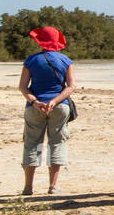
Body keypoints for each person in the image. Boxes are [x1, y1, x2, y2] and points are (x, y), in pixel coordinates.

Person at [18, 26, 76, 195]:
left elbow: (23, 87)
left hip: (34, 107)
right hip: (60, 106)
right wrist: (55, 101)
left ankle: (28, 187)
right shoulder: (66, 61)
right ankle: (53, 186)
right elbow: (72, 86)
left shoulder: (31, 60)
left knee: (32, 144)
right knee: (57, 143)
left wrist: (35, 102)